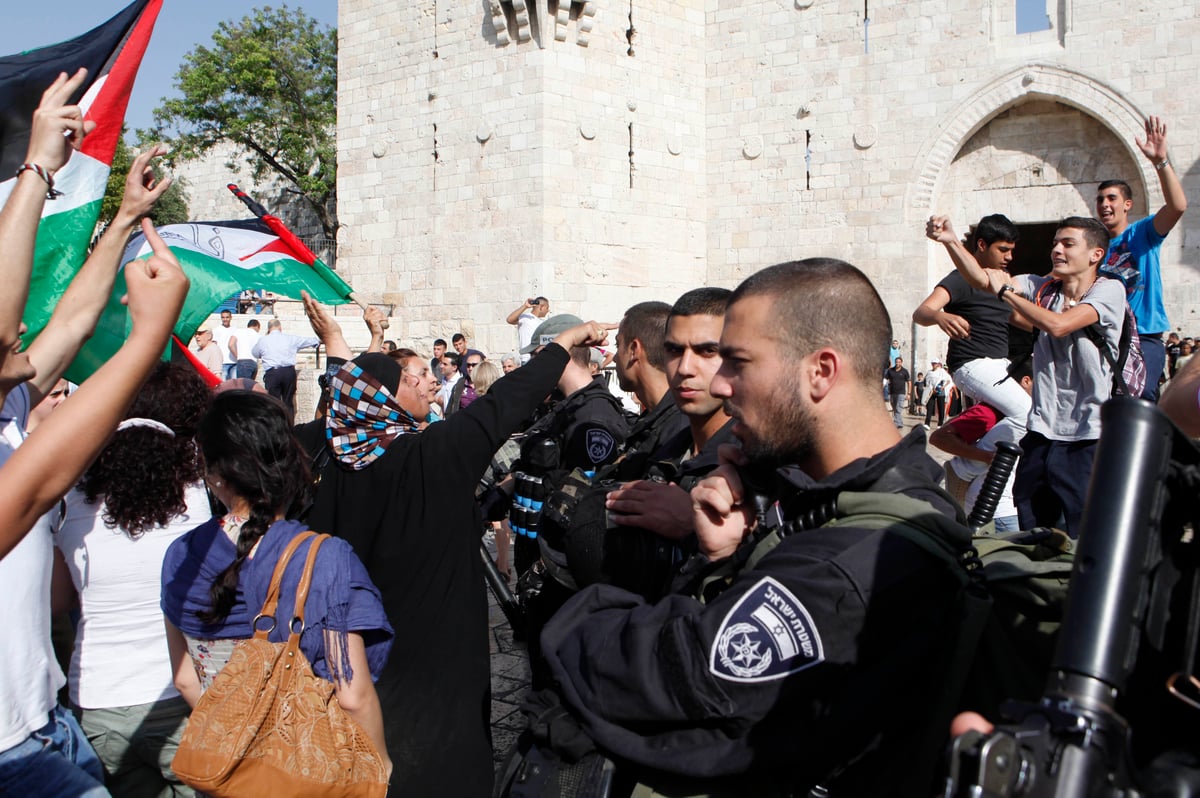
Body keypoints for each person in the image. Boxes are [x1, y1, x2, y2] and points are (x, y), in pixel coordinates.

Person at [534, 259, 973, 796]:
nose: (719, 381)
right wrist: (726, 554)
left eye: (737, 361)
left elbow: (673, 677)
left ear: (821, 371)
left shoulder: (856, 557)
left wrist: (579, 616)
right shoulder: (864, 495)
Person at [293, 297, 613, 796]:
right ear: (387, 399)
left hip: (357, 653)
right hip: (436, 656)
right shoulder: (431, 455)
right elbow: (501, 404)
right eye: (412, 378)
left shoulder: (329, 470)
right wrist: (562, 345)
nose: (428, 384)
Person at [0, 194, 189, 798]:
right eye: (7, 330)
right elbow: (38, 488)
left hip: (54, 719)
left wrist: (123, 220)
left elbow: (73, 321)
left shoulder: (8, 412)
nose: (24, 327)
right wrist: (148, 334)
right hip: (11, 751)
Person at [160, 391, 394, 779]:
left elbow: (186, 678)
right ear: (291, 461)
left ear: (212, 473)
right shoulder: (324, 558)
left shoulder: (181, 555)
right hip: (307, 774)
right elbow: (351, 694)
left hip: (226, 770)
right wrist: (380, 768)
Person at [54, 363, 211, 796]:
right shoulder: (194, 493)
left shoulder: (70, 496)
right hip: (178, 688)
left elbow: (57, 598)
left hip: (98, 696)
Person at [945, 215, 1125, 536]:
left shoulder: (1109, 290)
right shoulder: (1042, 287)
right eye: (1055, 243)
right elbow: (981, 279)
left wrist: (1007, 294)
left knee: (1082, 534)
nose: (1057, 249)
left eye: (1068, 244)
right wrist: (950, 241)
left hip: (1087, 436)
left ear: (1095, 255)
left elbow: (1059, 325)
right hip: (1041, 433)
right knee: (1035, 531)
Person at [1096, 116, 1188, 401]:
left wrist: (1160, 161)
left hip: (1145, 336)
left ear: (1127, 205)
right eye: (1099, 199)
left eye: (1111, 198)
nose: (1104, 205)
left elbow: (1177, 206)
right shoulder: (1095, 248)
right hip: (1107, 338)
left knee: (1140, 396)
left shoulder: (1143, 233)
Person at [920, 214, 1033, 420]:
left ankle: (970, 450)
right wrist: (939, 317)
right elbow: (921, 313)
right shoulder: (959, 279)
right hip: (972, 364)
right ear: (982, 244)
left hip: (1002, 364)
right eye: (1003, 250)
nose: (1009, 257)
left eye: (1011, 251)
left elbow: (1016, 318)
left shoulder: (1001, 282)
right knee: (1026, 412)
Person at [929, 359, 1035, 531]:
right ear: (1026, 381)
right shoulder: (989, 412)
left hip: (1014, 508)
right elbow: (939, 438)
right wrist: (984, 457)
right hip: (1000, 512)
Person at [610, 301, 687, 477]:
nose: (614, 358)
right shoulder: (654, 421)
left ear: (634, 350)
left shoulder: (679, 430)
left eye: (617, 345)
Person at [251, 319, 319, 419]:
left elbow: (255, 353)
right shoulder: (290, 338)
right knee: (288, 401)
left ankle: (276, 426)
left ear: (269, 329)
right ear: (280, 327)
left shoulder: (263, 340)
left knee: (273, 402)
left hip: (273, 373)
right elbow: (308, 341)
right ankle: (290, 426)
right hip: (288, 372)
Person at [508, 295, 551, 362]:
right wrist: (525, 306)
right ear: (541, 307)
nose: (548, 310)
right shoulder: (525, 318)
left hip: (540, 358)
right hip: (527, 358)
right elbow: (510, 320)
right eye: (547, 308)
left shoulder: (543, 322)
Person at [210, 309, 237, 380]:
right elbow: (214, 346)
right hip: (222, 362)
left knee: (234, 386)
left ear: (231, 317)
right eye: (223, 317)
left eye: (227, 317)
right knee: (223, 385)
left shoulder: (235, 330)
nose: (225, 319)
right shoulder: (216, 330)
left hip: (234, 362)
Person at [924, 359, 952, 427]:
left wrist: (943, 387)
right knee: (929, 407)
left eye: (935, 363)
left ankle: (940, 423)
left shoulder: (942, 371)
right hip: (931, 391)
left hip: (940, 391)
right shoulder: (929, 372)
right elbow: (927, 382)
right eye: (933, 363)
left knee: (941, 407)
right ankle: (927, 423)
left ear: (938, 364)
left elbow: (948, 380)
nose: (934, 365)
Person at [885, 356, 911, 428]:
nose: (897, 363)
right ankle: (900, 422)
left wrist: (909, 393)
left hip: (901, 393)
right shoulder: (890, 371)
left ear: (901, 363)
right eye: (896, 362)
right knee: (894, 407)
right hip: (892, 392)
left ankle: (897, 423)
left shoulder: (905, 371)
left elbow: (909, 382)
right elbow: (885, 379)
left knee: (898, 408)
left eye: (899, 362)